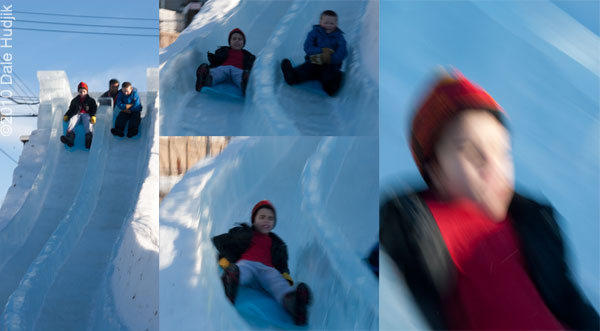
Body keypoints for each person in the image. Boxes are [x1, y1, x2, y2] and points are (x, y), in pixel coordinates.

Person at [380, 71, 599, 330]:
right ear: (436, 170)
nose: (493, 167)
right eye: (473, 153)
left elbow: (569, 300)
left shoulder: (532, 223)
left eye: (502, 152)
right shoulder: (413, 225)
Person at [212, 200, 312, 326]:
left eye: (270, 218)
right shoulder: (246, 233)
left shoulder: (277, 243)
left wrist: (285, 276)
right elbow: (227, 245)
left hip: (268, 269)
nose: (266, 220)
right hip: (247, 262)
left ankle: (294, 303)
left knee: (277, 283)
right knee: (241, 271)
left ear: (274, 223)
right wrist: (223, 260)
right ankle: (230, 280)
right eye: (262, 217)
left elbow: (281, 263)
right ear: (254, 219)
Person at [280, 10, 348, 96]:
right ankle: (290, 73)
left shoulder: (339, 37)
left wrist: (330, 58)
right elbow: (307, 47)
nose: (329, 25)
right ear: (320, 22)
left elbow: (342, 52)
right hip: (314, 62)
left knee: (330, 83)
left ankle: (334, 82)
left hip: (330, 65)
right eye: (326, 23)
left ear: (336, 24)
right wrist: (321, 52)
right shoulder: (314, 33)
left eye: (332, 23)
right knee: (302, 73)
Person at [195, 28, 256, 95]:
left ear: (243, 42)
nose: (237, 41)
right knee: (217, 72)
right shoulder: (224, 50)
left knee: (240, 76)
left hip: (237, 70)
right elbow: (217, 60)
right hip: (224, 68)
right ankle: (207, 79)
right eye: (234, 39)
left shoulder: (247, 55)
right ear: (230, 42)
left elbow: (251, 63)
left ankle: (244, 85)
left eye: (240, 39)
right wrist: (213, 58)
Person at [60, 82, 97, 149]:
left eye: (84, 91)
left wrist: (93, 115)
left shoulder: (91, 100)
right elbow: (71, 109)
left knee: (88, 123)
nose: (82, 93)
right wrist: (67, 115)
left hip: (86, 114)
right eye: (80, 92)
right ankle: (69, 139)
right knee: (72, 121)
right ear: (78, 92)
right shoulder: (75, 100)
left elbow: (94, 108)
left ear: (87, 91)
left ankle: (89, 141)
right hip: (76, 114)